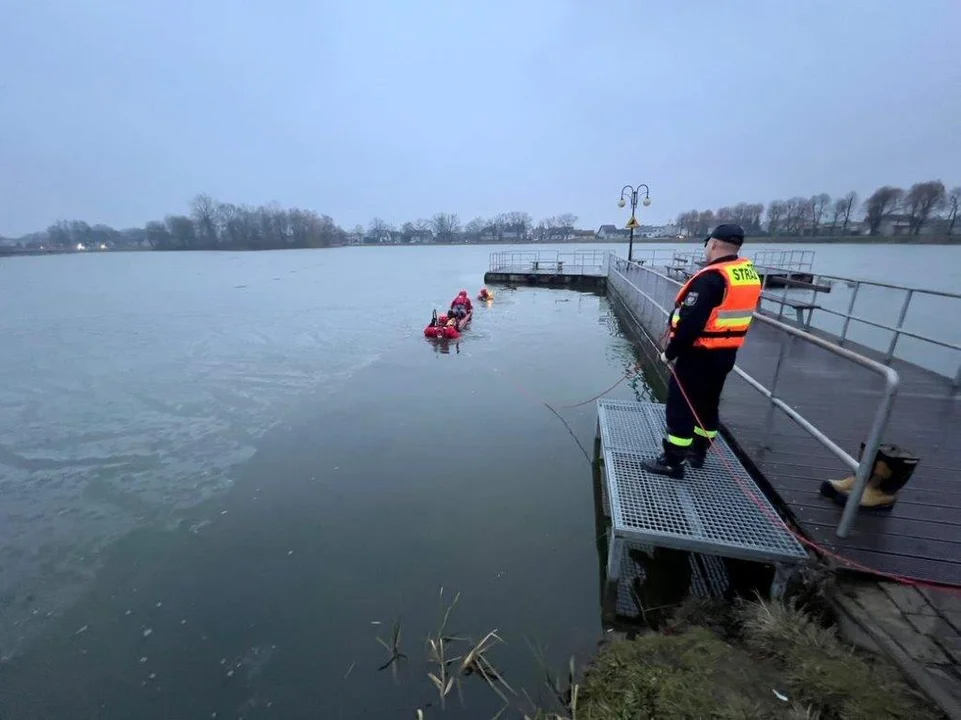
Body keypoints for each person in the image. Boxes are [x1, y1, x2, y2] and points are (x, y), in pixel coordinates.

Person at [642, 223, 762, 478]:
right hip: (725, 353)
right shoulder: (747, 274)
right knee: (708, 403)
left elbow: (692, 323)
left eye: (707, 244)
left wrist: (670, 352)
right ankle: (698, 452)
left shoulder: (711, 278)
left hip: (698, 354)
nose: (706, 249)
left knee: (681, 405)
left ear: (714, 244)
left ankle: (673, 461)